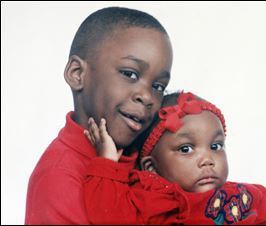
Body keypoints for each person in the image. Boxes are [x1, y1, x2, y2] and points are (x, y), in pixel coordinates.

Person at [25, 7, 173, 224]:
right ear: (77, 74)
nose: (147, 96)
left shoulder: (150, 154)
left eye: (158, 86)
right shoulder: (59, 179)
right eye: (130, 74)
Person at [83, 91, 266, 225]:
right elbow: (108, 216)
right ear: (151, 167)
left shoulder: (243, 196)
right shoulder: (153, 201)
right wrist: (107, 162)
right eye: (186, 149)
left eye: (216, 146)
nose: (208, 159)